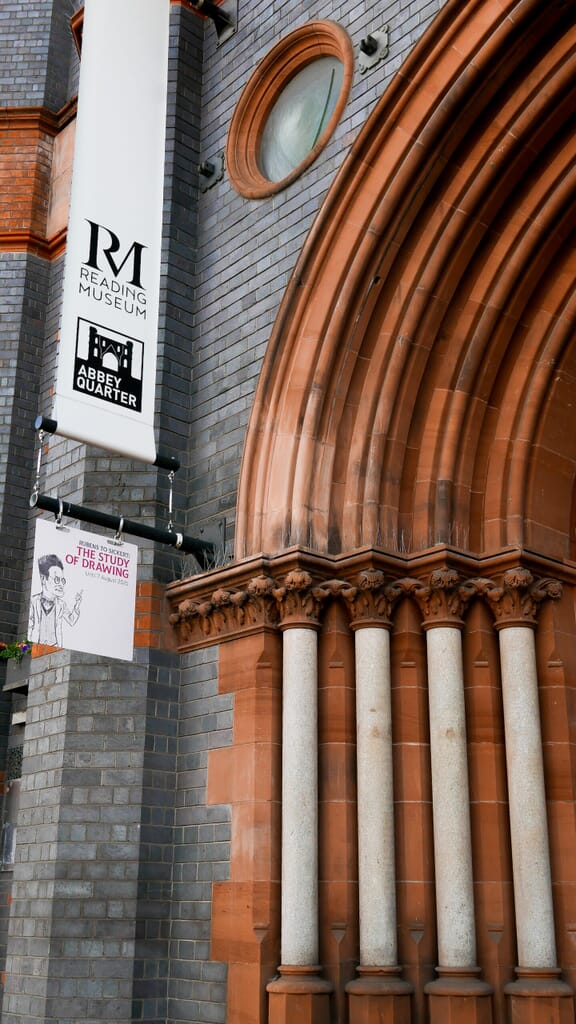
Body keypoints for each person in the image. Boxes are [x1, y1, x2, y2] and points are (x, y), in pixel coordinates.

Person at [28, 553, 83, 647]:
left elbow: (71, 620)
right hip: (36, 646)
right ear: (43, 579)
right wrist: (26, 648)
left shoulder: (61, 604)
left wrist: (77, 604)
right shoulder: (34, 601)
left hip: (54, 647)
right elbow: (30, 626)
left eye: (62, 580)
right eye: (56, 580)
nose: (61, 584)